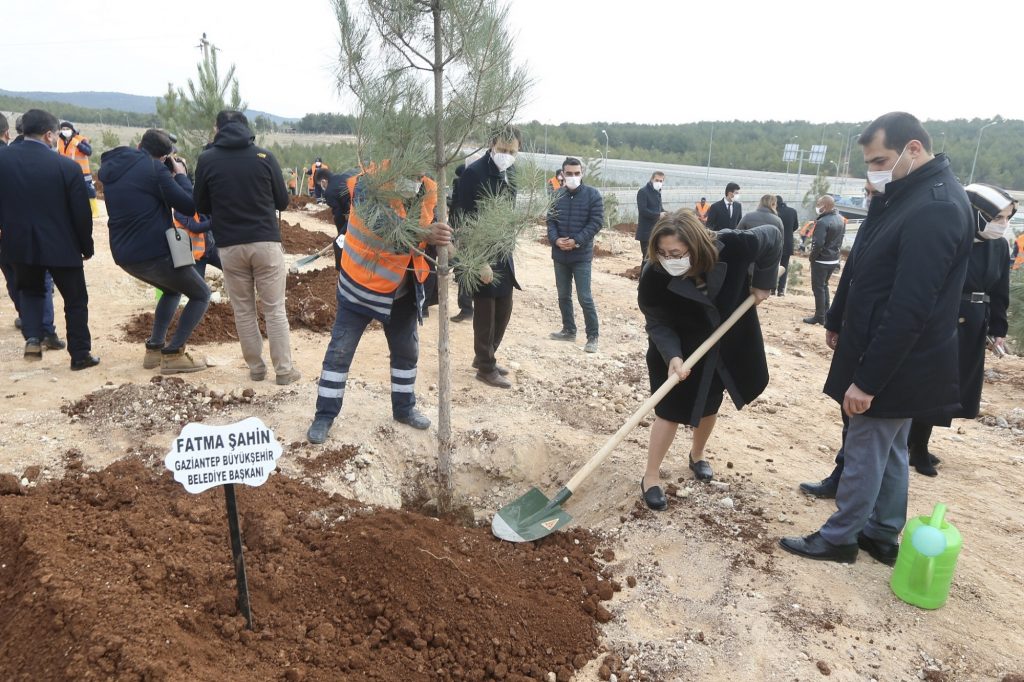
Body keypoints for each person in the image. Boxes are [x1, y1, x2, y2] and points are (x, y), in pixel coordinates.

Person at [781, 112, 973, 566]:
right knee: (890, 450)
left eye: (881, 159)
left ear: (913, 148)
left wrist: (868, 380)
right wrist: (840, 318)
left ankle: (840, 537)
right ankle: (883, 532)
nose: (875, 170)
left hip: (897, 360)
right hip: (881, 346)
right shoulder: (907, 195)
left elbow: (911, 307)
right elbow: (867, 264)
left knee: (867, 446)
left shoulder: (937, 207)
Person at [638, 212, 781, 508]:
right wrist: (674, 357)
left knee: (710, 402)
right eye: (662, 253)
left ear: (696, 244)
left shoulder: (735, 245)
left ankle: (697, 455)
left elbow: (774, 235)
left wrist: (763, 282)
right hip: (681, 347)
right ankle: (651, 476)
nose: (668, 259)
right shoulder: (654, 273)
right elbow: (657, 321)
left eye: (676, 253)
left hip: (725, 343)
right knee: (669, 409)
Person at [305, 164, 452, 444]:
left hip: (403, 289)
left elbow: (435, 231)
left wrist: (446, 242)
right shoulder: (368, 183)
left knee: (406, 352)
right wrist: (425, 234)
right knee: (340, 352)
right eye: (410, 169)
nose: (416, 177)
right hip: (360, 285)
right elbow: (384, 228)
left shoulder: (431, 188)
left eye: (419, 171)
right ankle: (324, 415)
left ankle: (404, 408)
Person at [193, 110, 298, 384]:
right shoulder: (264, 157)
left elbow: (201, 205)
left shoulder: (207, 160)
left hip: (229, 246)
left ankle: (256, 369)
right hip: (265, 242)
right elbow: (283, 202)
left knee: (243, 310)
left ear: (217, 129)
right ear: (245, 128)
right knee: (275, 308)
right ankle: (284, 371)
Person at [99, 129, 211, 373]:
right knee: (202, 294)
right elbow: (190, 205)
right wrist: (180, 176)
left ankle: (154, 350)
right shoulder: (154, 169)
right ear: (164, 157)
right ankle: (173, 355)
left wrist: (164, 176)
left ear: (139, 144)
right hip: (154, 252)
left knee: (171, 291)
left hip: (124, 253)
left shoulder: (113, 168)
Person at [0, 109, 98, 370]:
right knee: (75, 300)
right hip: (62, 246)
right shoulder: (66, 166)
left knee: (30, 291)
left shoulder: (3, 160)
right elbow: (81, 213)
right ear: (48, 135)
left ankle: (33, 336)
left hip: (19, 243)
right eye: (55, 134)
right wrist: (86, 247)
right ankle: (80, 355)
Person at [452, 126, 522, 389]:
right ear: (492, 145)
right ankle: (485, 367)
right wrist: (476, 259)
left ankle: (485, 356)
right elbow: (462, 217)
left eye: (511, 151)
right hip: (478, 251)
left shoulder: (511, 172)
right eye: (502, 150)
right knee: (485, 311)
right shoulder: (474, 173)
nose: (506, 155)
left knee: (504, 306)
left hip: (502, 251)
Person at [547, 157, 604, 353]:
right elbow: (550, 222)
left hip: (581, 256)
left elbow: (596, 222)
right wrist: (556, 240)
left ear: (582, 174)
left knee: (584, 297)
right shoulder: (557, 195)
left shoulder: (593, 195)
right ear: (562, 174)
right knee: (563, 295)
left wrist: (577, 240)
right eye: (569, 173)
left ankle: (593, 336)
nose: (572, 177)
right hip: (560, 255)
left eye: (576, 173)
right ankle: (569, 330)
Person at [803, 195, 845, 325]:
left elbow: (818, 244)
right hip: (833, 259)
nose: (817, 206)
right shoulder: (840, 219)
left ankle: (819, 316)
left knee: (818, 288)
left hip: (822, 260)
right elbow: (840, 239)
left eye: (818, 204)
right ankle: (826, 313)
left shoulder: (822, 222)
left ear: (825, 206)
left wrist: (812, 258)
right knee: (824, 285)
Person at [315, 166, 355, 271]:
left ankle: (340, 271)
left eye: (321, 185)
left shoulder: (329, 191)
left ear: (323, 181)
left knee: (338, 243)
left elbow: (338, 215)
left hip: (356, 214)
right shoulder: (342, 176)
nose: (322, 188)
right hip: (360, 209)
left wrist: (340, 234)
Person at [450, 163, 475, 323]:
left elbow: (458, 207)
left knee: (463, 270)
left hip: (462, 231)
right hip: (466, 230)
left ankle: (466, 308)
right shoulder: (473, 181)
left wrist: (456, 226)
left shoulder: (461, 182)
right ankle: (467, 308)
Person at [56, 121, 98, 217]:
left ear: (72, 130)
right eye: (63, 129)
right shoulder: (60, 141)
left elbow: (89, 152)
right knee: (67, 190)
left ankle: (95, 210)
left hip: (83, 171)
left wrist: (78, 144)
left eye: (67, 129)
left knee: (88, 190)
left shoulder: (81, 139)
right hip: (66, 171)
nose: (65, 131)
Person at [635, 171, 666, 260]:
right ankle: (643, 274)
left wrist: (668, 214)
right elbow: (643, 210)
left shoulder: (658, 192)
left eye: (661, 181)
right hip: (646, 232)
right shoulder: (643, 192)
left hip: (656, 232)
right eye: (657, 180)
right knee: (647, 258)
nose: (659, 183)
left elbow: (660, 209)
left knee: (655, 259)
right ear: (652, 179)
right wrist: (658, 215)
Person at [774, 195, 799, 295]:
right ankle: (781, 290)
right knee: (784, 266)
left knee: (773, 266)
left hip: (775, 242)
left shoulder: (774, 212)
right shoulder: (792, 211)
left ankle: (771, 288)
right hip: (787, 243)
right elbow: (796, 226)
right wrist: (788, 233)